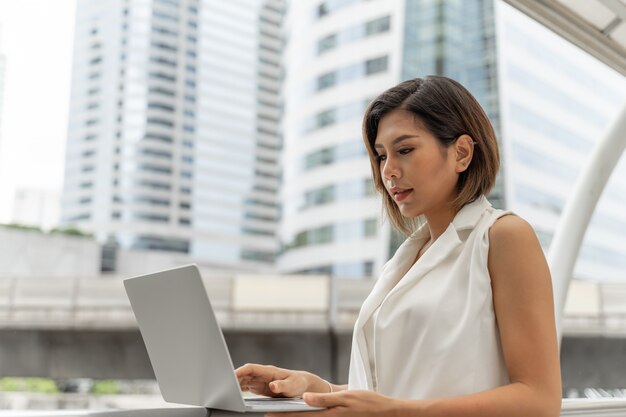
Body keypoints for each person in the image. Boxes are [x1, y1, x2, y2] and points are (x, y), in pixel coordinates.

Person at [236, 76, 562, 417]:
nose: (388, 170)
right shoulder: (407, 257)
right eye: (381, 156)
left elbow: (538, 400)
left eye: (404, 150)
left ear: (462, 153)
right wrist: (317, 388)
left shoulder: (504, 236)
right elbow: (401, 391)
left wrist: (394, 413)